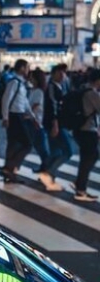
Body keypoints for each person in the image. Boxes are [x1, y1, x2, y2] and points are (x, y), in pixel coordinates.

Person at [0, 58, 34, 184]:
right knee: (27, 143)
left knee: (13, 144)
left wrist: (32, 115)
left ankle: (9, 173)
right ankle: (9, 167)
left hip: (18, 115)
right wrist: (5, 117)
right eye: (27, 67)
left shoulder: (21, 82)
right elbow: (6, 99)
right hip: (14, 116)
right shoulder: (14, 82)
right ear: (21, 68)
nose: (28, 70)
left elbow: (24, 101)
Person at [42, 63, 71, 193]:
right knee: (67, 151)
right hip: (55, 123)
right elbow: (53, 106)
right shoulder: (52, 87)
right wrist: (55, 124)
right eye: (60, 73)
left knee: (56, 151)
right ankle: (48, 172)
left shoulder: (60, 86)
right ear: (53, 74)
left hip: (57, 123)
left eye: (63, 73)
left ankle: (49, 177)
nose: (62, 75)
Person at [71, 68, 100, 201]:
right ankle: (80, 189)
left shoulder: (83, 89)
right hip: (88, 130)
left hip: (80, 129)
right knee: (90, 157)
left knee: (87, 158)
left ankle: (79, 184)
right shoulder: (92, 94)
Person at [27, 67, 54, 188]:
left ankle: (48, 170)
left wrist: (28, 114)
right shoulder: (33, 90)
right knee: (39, 147)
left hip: (36, 121)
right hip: (34, 120)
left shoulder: (38, 91)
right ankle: (45, 168)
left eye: (32, 77)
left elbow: (35, 105)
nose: (30, 79)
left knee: (41, 147)